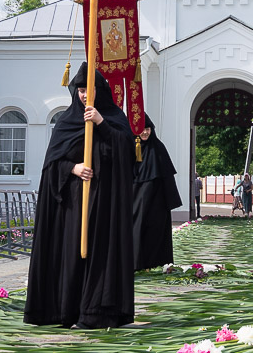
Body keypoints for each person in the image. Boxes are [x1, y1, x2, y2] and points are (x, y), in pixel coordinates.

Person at [25, 65, 136, 329]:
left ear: (101, 91)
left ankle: (97, 312)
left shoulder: (114, 117)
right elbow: (52, 164)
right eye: (81, 90)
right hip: (74, 203)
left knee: (100, 254)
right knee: (73, 253)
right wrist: (73, 168)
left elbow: (126, 153)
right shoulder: (66, 121)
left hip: (105, 203)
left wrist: (101, 123)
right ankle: (66, 311)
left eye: (90, 89)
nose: (85, 95)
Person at [130, 118, 182, 270]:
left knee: (155, 232)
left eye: (148, 129)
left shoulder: (158, 148)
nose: (145, 132)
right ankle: (135, 264)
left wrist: (170, 201)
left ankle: (155, 264)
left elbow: (167, 177)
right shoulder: (129, 146)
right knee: (136, 230)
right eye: (142, 129)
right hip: (134, 200)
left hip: (156, 202)